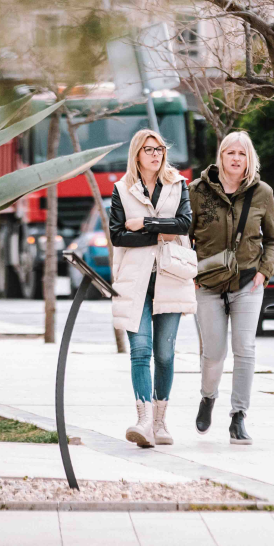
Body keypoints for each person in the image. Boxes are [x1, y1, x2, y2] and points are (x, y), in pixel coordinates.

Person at [189, 131, 274, 445]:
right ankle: (208, 396)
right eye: (230, 152)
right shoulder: (197, 192)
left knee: (245, 350)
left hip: (247, 283)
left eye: (242, 154)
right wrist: (190, 270)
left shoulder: (262, 193)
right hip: (208, 285)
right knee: (214, 352)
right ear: (221, 156)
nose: (235, 158)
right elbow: (182, 237)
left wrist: (264, 271)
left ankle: (238, 416)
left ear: (249, 158)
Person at [109, 129, 196, 448]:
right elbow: (118, 235)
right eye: (149, 149)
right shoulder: (121, 189)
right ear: (137, 154)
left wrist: (145, 225)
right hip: (135, 281)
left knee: (164, 354)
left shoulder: (178, 184)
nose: (156, 154)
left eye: (160, 148)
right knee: (140, 351)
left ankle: (160, 422)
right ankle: (144, 421)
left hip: (170, 278)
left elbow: (184, 224)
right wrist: (162, 231)